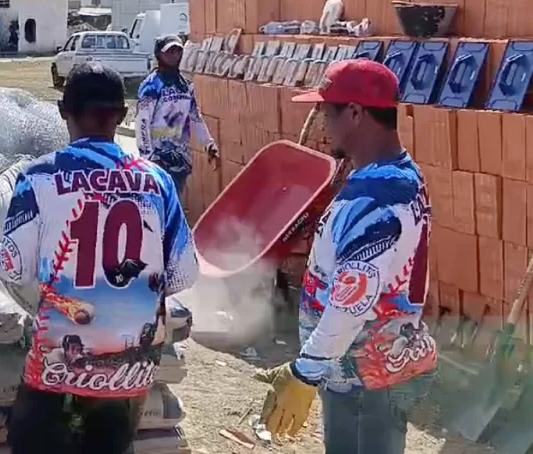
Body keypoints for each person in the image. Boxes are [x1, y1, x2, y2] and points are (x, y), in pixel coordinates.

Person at [0, 62, 199, 454]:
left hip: (57, 370)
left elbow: (14, 266)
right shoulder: (157, 182)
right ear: (122, 115)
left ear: (62, 111)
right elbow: (183, 274)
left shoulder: (39, 177)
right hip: (131, 375)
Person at [254, 59, 436, 454]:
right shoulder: (401, 176)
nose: (322, 121)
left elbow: (353, 302)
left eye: (326, 110)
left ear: (354, 113)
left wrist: (306, 372)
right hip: (373, 368)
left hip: (363, 380)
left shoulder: (375, 198)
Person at [136, 34, 218, 193]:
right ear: (159, 54)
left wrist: (208, 143)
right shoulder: (151, 86)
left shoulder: (186, 86)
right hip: (157, 159)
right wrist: (147, 156)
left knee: (176, 200)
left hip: (181, 158)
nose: (174, 55)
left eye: (177, 51)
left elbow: (195, 117)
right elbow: (142, 122)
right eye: (169, 51)